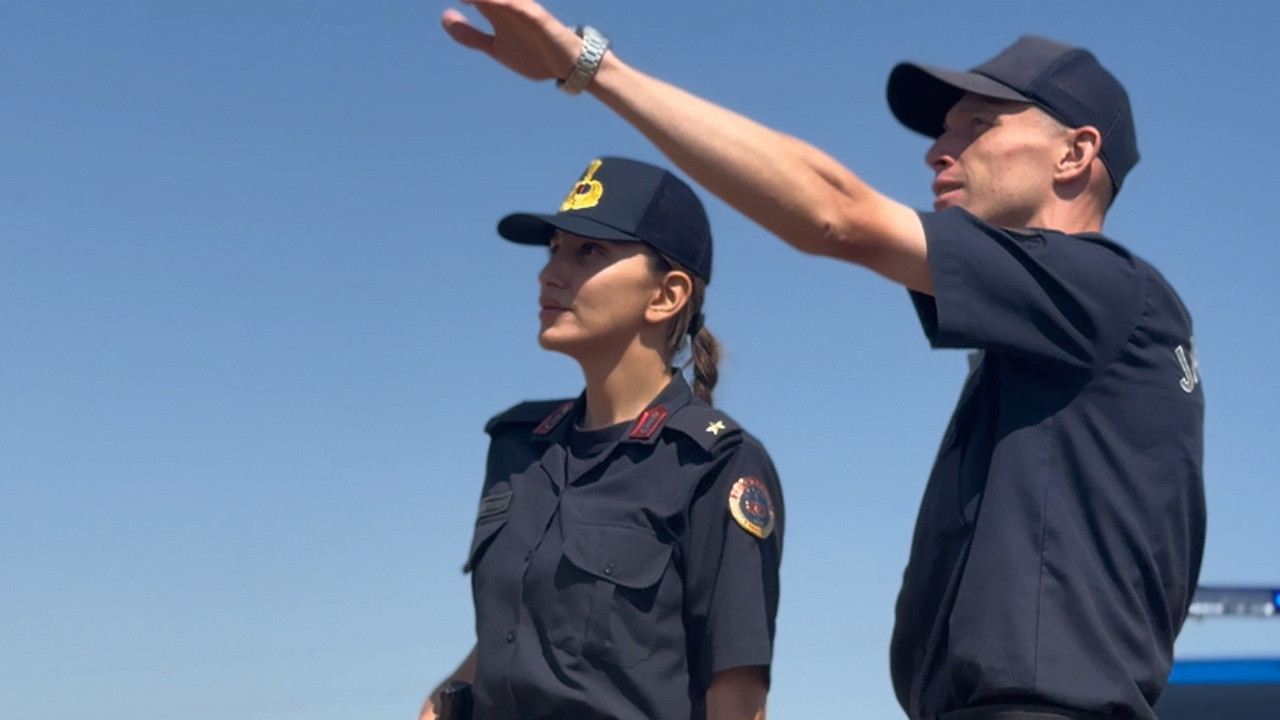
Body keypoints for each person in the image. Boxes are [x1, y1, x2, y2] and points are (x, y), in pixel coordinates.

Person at [439, 4, 1207, 720]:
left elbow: (837, 216)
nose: (938, 151)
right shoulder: (1056, 349)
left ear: (1075, 153)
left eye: (977, 125)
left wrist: (589, 66)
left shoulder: (1109, 291)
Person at [420, 156, 784, 720]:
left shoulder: (714, 463)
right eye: (554, 249)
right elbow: (515, 641)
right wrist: (437, 703)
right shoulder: (519, 447)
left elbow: (737, 699)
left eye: (588, 251)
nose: (550, 273)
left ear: (666, 295)